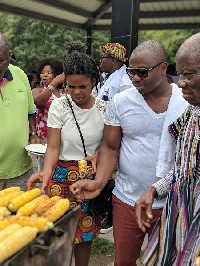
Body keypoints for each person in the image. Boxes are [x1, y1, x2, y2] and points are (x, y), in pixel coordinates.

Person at [69, 40, 189, 266]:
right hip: (127, 199)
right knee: (124, 260)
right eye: (132, 71)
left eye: (142, 72)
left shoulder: (185, 102)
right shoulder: (121, 102)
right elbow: (111, 146)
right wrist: (98, 182)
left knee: (168, 260)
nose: (135, 78)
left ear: (164, 68)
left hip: (172, 202)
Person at [26, 44, 108, 266]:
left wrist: (100, 155)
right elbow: (53, 147)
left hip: (88, 179)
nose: (76, 92)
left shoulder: (104, 109)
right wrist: (46, 171)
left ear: (93, 81)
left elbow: (109, 145)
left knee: (85, 236)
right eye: (71, 87)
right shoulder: (60, 106)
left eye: (82, 86)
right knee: (57, 232)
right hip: (60, 176)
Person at [134, 33, 200, 265]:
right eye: (180, 74)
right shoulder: (192, 113)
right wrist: (155, 189)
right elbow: (185, 168)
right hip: (178, 222)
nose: (180, 82)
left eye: (189, 75)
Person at [0, 32, 43, 191]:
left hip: (21, 170)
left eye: (0, 60)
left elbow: (30, 110)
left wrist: (33, 134)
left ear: (9, 55)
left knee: (23, 214)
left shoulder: (19, 75)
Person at [98, 42, 133, 233]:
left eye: (103, 57)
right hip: (108, 135)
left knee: (114, 177)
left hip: (117, 138)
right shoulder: (111, 77)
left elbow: (123, 114)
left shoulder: (124, 82)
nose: (101, 61)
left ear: (113, 60)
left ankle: (111, 218)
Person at [32, 59, 66, 172]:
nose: (45, 74)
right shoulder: (37, 90)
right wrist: (53, 83)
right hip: (45, 137)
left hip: (64, 136)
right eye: (42, 72)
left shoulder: (65, 92)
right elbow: (39, 102)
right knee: (45, 169)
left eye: (49, 72)